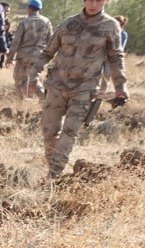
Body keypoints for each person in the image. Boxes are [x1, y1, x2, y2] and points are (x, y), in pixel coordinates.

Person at [39, 0, 127, 178]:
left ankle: (54, 174)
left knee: (70, 131)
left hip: (84, 89)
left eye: (99, 0)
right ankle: (53, 166)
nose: (93, 4)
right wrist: (33, 75)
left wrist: (121, 86)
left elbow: (116, 58)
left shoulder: (110, 26)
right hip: (57, 86)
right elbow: (48, 52)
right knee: (49, 131)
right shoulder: (68, 23)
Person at [11, 0, 53, 98]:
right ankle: (43, 97)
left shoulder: (24, 22)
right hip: (39, 55)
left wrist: (10, 57)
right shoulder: (46, 21)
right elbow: (51, 40)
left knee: (19, 80)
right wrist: (48, 56)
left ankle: (21, 102)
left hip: (23, 56)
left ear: (29, 8)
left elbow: (16, 41)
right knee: (35, 79)